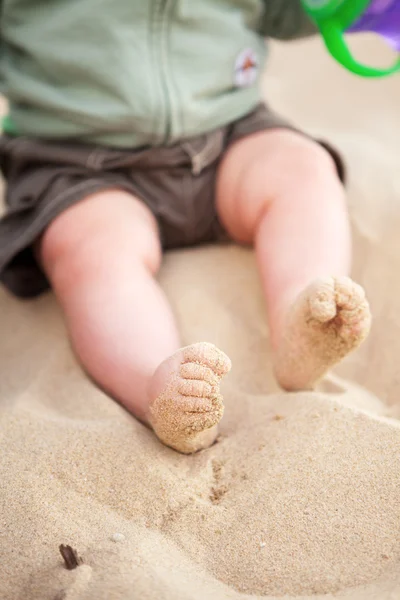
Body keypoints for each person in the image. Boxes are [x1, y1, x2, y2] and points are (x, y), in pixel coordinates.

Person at [0, 1, 371, 454]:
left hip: (227, 130)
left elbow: (292, 10)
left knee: (303, 171)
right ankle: (157, 385)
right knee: (92, 252)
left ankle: (304, 317)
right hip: (77, 158)